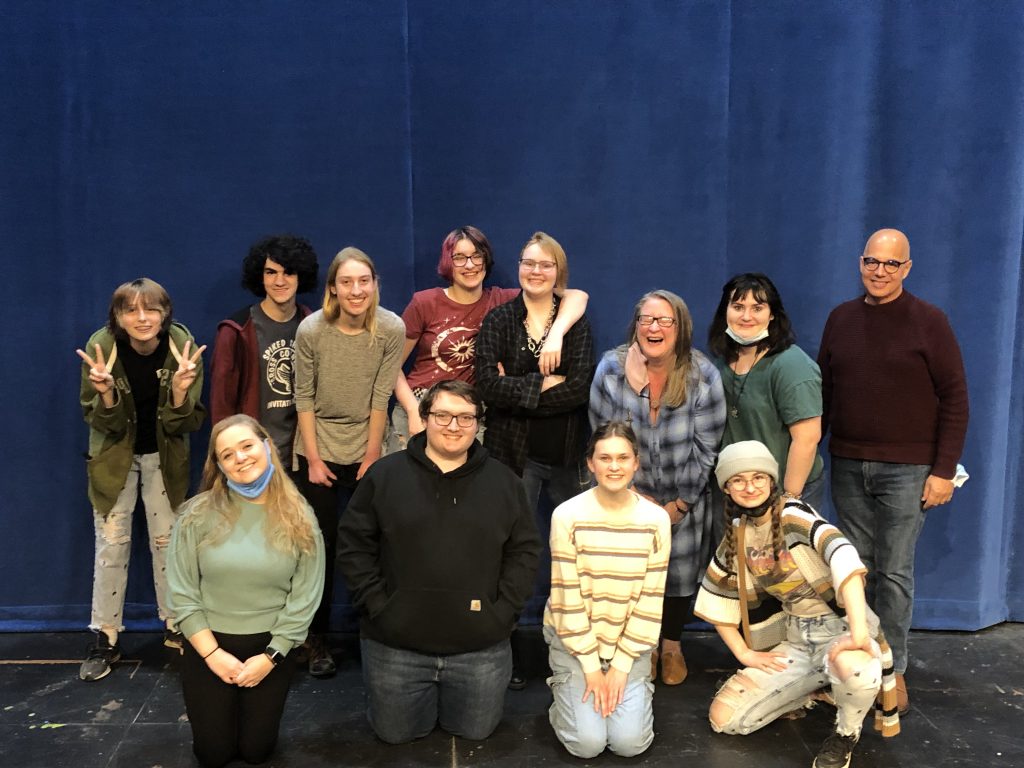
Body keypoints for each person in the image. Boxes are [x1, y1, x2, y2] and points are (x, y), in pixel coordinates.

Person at [337, 380, 540, 743]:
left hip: (479, 649)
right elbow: (354, 546)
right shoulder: (384, 476)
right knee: (395, 735)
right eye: (443, 415)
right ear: (425, 417)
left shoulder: (505, 482)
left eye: (465, 417)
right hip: (395, 645)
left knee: (475, 732)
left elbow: (524, 552)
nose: (453, 426)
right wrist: (379, 607)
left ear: (479, 423)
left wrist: (503, 612)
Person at [818, 228, 968, 713]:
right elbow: (822, 395)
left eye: (891, 264)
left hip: (908, 469)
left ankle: (893, 671)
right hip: (847, 462)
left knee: (895, 573)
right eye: (871, 262)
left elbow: (955, 399)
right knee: (853, 572)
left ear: (907, 268)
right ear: (860, 263)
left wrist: (943, 470)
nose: (879, 271)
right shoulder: (840, 319)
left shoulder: (930, 321)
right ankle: (860, 665)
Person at [694, 440, 899, 768]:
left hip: (838, 630)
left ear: (771, 480)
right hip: (796, 639)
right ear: (727, 488)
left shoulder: (792, 514)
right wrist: (744, 654)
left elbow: (844, 556)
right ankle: (809, 690)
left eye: (758, 477)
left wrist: (859, 632)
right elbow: (717, 593)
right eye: (739, 480)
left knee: (856, 670)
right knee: (726, 720)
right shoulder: (739, 532)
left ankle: (845, 734)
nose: (750, 487)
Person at [167, 415, 325, 768]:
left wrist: (272, 656)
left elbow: (306, 594)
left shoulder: (300, 516)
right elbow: (182, 593)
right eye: (227, 454)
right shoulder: (195, 515)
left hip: (271, 648)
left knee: (257, 752)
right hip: (209, 645)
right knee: (213, 754)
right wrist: (212, 655)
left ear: (267, 446)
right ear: (219, 466)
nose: (240, 458)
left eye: (247, 446)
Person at [475, 231, 595, 686]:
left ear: (558, 272)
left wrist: (518, 387)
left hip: (566, 455)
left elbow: (579, 387)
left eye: (545, 265)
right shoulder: (499, 320)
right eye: (528, 263)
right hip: (512, 456)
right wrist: (541, 385)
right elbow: (487, 385)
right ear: (518, 267)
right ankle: (499, 644)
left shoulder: (574, 323)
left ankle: (576, 644)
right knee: (510, 550)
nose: (536, 271)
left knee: (576, 551)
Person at [589, 289, 726, 686]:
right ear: (635, 326)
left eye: (665, 320)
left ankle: (670, 645)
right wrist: (634, 499)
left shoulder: (703, 374)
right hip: (627, 497)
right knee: (631, 575)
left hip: (683, 499)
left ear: (680, 329)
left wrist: (680, 505)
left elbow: (707, 448)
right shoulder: (610, 371)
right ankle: (641, 646)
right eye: (647, 319)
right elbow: (602, 438)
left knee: (679, 574)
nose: (655, 327)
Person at [75, 278, 206, 682]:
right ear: (117, 316)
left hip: (164, 458)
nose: (142, 317)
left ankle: (175, 628)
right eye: (130, 310)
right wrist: (109, 395)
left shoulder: (182, 346)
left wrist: (181, 391)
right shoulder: (102, 347)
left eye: (151, 309)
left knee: (168, 544)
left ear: (165, 313)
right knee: (112, 544)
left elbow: (188, 422)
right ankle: (105, 637)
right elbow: (99, 421)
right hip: (115, 458)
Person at [293, 246, 405, 677]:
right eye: (347, 282)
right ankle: (314, 638)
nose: (356, 290)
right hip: (318, 447)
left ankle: (373, 632)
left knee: (371, 546)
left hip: (368, 447)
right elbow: (304, 397)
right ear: (333, 289)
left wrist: (373, 454)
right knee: (319, 548)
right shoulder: (312, 330)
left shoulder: (390, 328)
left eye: (364, 281)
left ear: (375, 285)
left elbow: (381, 395)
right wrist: (315, 460)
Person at [389, 225, 588, 451]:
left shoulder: (502, 300)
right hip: (421, 404)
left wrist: (556, 333)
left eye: (477, 256)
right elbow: (392, 364)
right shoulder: (425, 302)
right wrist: (414, 410)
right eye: (460, 258)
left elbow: (576, 296)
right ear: (448, 262)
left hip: (469, 412)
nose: (470, 264)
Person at [544, 421, 670, 758]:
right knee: (587, 745)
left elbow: (651, 597)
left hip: (628, 642)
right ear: (590, 463)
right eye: (605, 458)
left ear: (635, 462)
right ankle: (562, 693)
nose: (614, 466)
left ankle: (627, 691)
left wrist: (622, 664)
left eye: (622, 457)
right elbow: (566, 597)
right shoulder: (567, 516)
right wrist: (588, 665)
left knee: (630, 745)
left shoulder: (656, 520)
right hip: (575, 641)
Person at [707, 273, 825, 544]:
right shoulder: (723, 361)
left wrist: (790, 501)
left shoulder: (792, 365)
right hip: (738, 491)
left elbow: (806, 440)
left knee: (785, 578)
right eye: (738, 307)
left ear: (772, 314)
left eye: (757, 308)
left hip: (784, 490)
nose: (746, 316)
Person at [209, 234, 319, 469]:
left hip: (303, 457)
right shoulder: (236, 330)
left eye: (288, 272)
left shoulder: (313, 325)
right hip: (253, 459)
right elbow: (222, 406)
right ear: (260, 276)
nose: (280, 281)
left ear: (301, 276)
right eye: (271, 272)